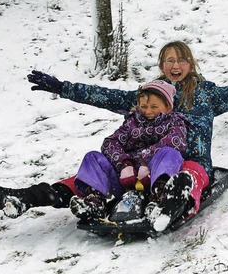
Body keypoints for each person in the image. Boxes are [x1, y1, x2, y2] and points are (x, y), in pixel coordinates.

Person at [0, 41, 228, 229]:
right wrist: (63, 88)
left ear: (190, 64)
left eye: (180, 60)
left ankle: (172, 202)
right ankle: (26, 198)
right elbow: (105, 96)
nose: (174, 65)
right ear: (162, 66)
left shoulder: (206, 95)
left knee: (189, 171)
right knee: (91, 171)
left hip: (187, 166)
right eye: (167, 61)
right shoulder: (148, 97)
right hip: (138, 169)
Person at [69, 79, 189, 222]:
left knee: (170, 153)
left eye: (154, 107)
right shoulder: (133, 122)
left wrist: (146, 162)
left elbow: (175, 142)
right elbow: (110, 142)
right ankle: (94, 202)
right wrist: (124, 164)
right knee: (92, 157)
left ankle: (160, 199)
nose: (148, 111)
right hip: (126, 180)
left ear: (168, 107)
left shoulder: (175, 122)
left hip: (153, 176)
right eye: (143, 106)